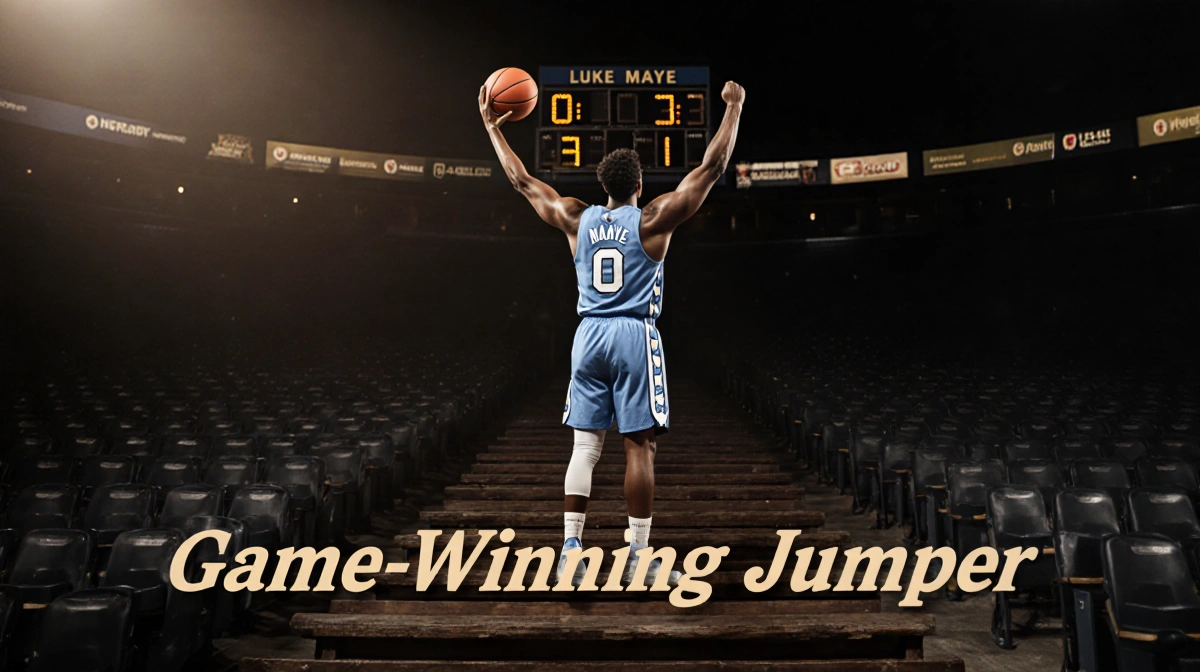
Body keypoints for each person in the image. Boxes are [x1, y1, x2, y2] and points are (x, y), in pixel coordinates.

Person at [480, 80, 745, 587]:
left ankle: (570, 552)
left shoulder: (575, 217)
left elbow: (522, 182)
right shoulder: (651, 220)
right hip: (632, 333)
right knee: (638, 448)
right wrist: (733, 109)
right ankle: (639, 559)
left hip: (588, 335)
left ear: (603, 185)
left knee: (584, 448)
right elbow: (711, 169)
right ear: (639, 186)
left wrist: (493, 128)